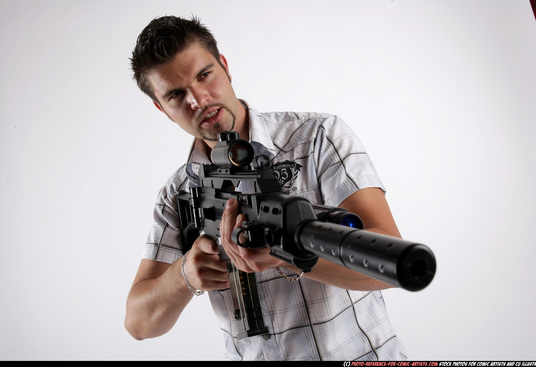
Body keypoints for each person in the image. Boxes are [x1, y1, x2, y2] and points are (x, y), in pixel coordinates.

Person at [124, 15, 407, 361]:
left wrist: (285, 256)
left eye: (204, 75)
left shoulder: (317, 137)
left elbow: (389, 258)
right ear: (161, 108)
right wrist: (185, 274)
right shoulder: (179, 192)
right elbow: (138, 323)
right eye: (176, 94)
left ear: (225, 67)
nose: (199, 100)